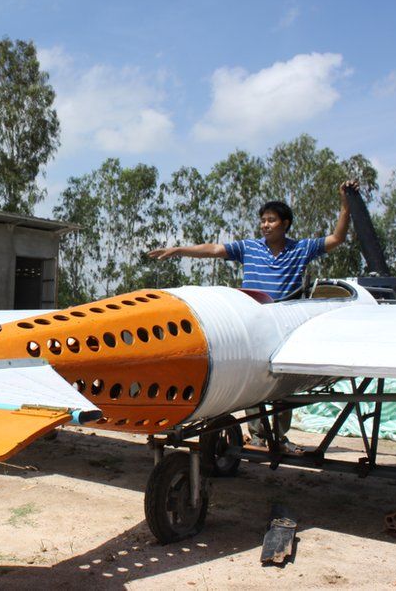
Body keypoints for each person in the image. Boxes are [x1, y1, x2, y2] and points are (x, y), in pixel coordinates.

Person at [147, 180, 359, 451]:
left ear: (285, 224)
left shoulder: (301, 249)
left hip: (286, 325)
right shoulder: (250, 248)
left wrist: (345, 205)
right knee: (255, 382)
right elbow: (214, 250)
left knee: (282, 386)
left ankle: (278, 437)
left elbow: (336, 239)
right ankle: (258, 437)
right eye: (263, 220)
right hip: (256, 321)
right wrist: (179, 250)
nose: (265, 225)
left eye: (271, 220)